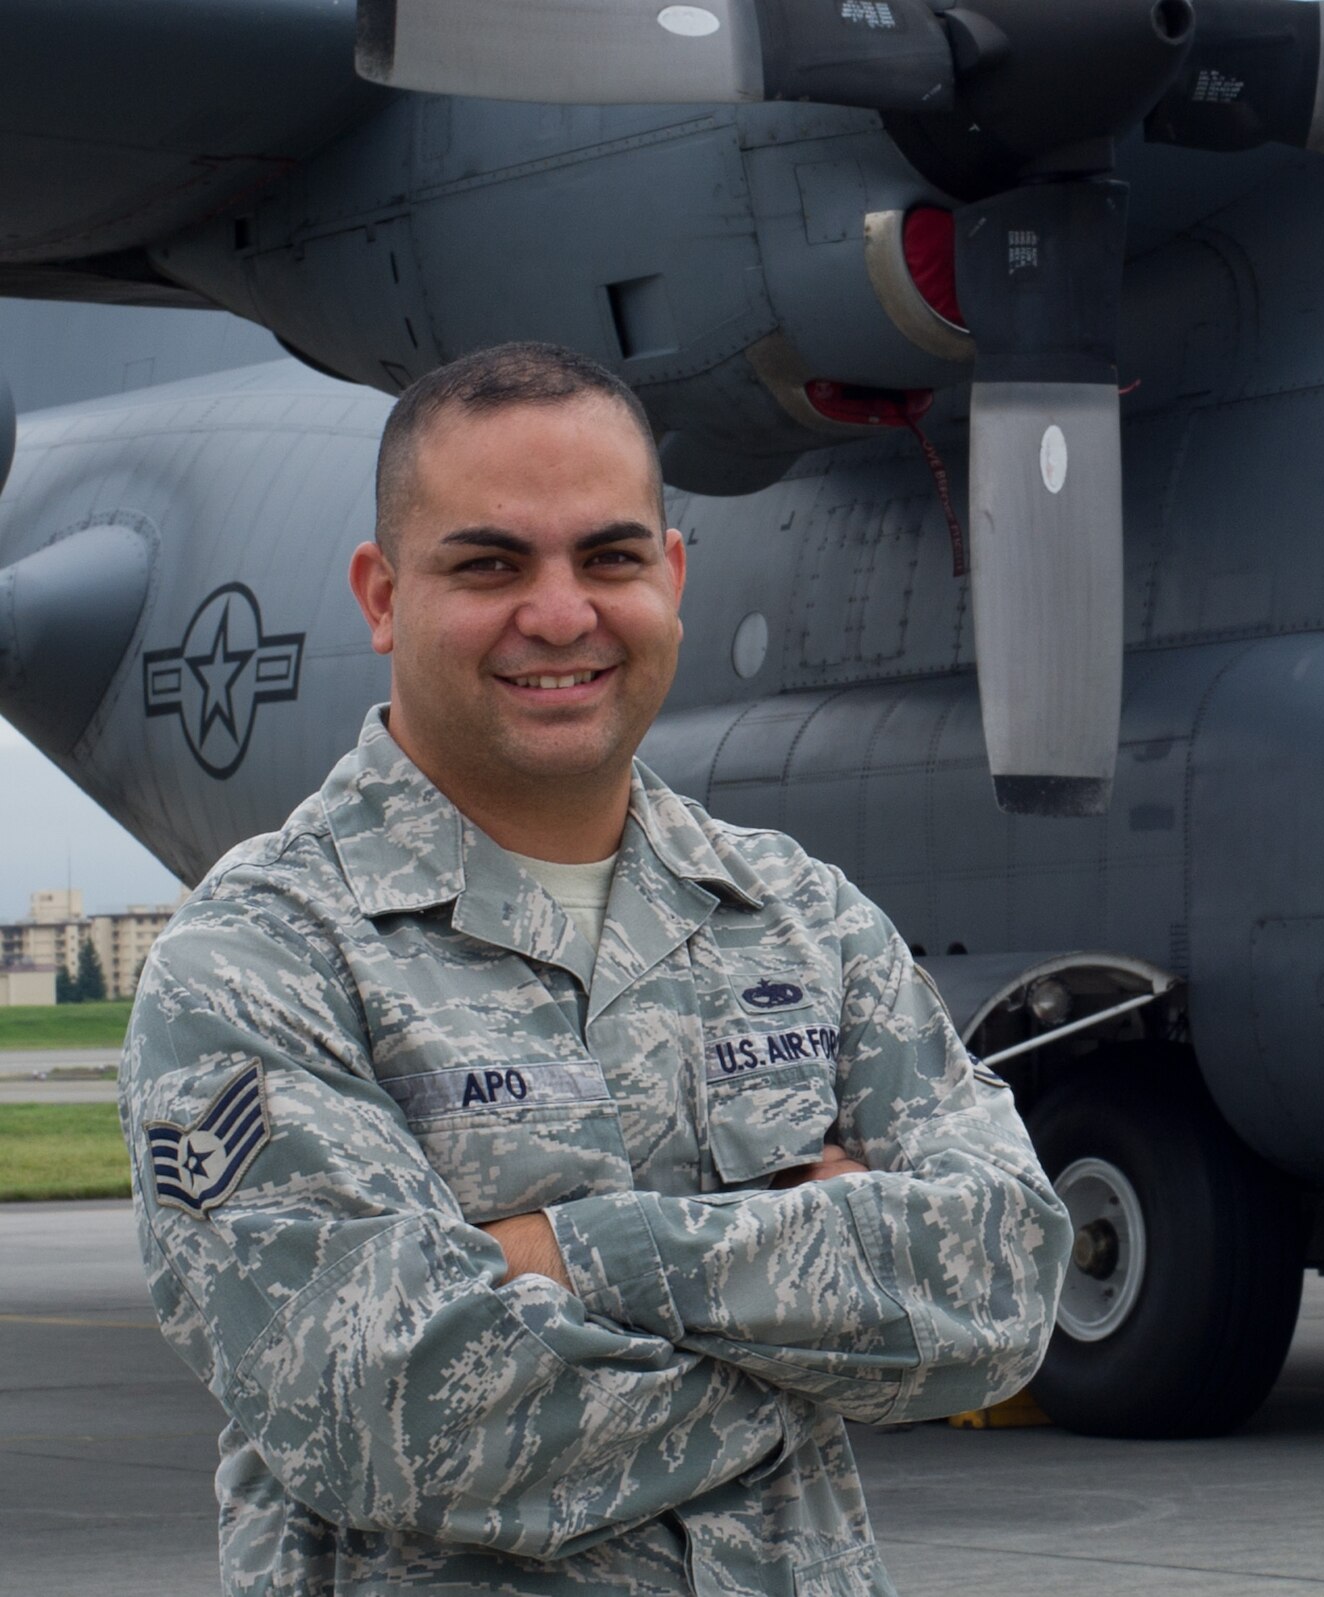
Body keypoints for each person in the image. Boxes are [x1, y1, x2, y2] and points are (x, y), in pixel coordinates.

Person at [119, 341, 1070, 1596]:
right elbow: (407, 1419)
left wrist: (568, 1258)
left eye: (610, 557)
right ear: (381, 593)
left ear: (671, 578)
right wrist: (828, 1319)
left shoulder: (795, 914)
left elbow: (1005, 1283)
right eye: (489, 563)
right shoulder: (260, 957)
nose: (561, 613)